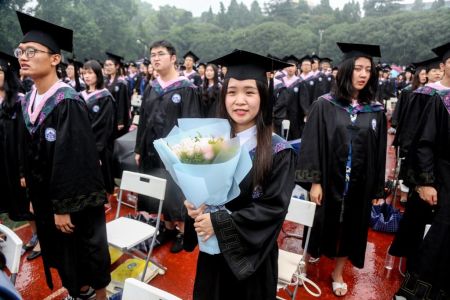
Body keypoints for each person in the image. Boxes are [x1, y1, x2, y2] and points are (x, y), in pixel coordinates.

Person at [183, 49, 296, 300]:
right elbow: (198, 188)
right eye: (232, 92)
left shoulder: (278, 151)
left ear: (263, 97)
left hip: (251, 263)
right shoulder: (212, 142)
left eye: (249, 92)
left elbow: (272, 209)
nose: (240, 101)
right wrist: (194, 207)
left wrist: (219, 223)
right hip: (212, 256)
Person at [15, 11, 110, 300]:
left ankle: (97, 294)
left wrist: (63, 207)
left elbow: (75, 160)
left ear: (55, 59)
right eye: (21, 51)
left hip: (70, 203)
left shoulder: (66, 101)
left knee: (83, 254)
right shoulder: (30, 99)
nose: (23, 56)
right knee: (63, 257)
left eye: (33, 51)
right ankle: (78, 291)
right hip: (46, 199)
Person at [296, 42, 387, 296]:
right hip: (328, 180)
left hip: (359, 183)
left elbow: (379, 151)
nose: (363, 74)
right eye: (357, 68)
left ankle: (337, 272)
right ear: (346, 70)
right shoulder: (324, 105)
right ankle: (305, 259)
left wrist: (377, 188)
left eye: (368, 70)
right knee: (318, 221)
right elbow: (312, 144)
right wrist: (315, 181)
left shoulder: (376, 111)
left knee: (353, 227)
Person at [134, 40, 202, 253]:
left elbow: (192, 124)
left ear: (173, 59)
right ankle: (168, 226)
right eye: (153, 54)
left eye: (161, 54)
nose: (155, 58)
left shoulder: (186, 88)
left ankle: (182, 229)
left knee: (176, 193)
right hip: (151, 151)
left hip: (175, 154)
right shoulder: (151, 87)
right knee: (157, 191)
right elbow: (143, 119)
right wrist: (138, 149)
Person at [394, 41, 450, 300]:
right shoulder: (436, 99)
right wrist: (421, 181)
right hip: (439, 176)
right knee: (432, 237)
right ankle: (414, 291)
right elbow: (421, 141)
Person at [81, 59, 117, 195]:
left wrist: (94, 147)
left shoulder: (105, 97)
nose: (86, 76)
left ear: (98, 74)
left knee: (101, 176)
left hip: (99, 145)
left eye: (90, 73)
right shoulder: (80, 95)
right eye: (84, 73)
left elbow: (104, 125)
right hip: (82, 143)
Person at [104, 51, 130, 137]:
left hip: (116, 118)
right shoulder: (105, 82)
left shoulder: (121, 83)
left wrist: (120, 121)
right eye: (106, 65)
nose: (108, 67)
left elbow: (122, 103)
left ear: (117, 66)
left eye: (110, 65)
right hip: (106, 117)